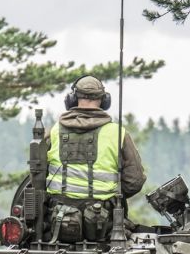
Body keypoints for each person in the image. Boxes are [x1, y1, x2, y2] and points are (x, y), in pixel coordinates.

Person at [45, 75, 146, 243]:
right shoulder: (117, 133)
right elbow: (135, 180)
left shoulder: (54, 131)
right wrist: (112, 199)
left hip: (59, 222)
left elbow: (37, 177)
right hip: (103, 224)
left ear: (72, 99)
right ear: (104, 100)